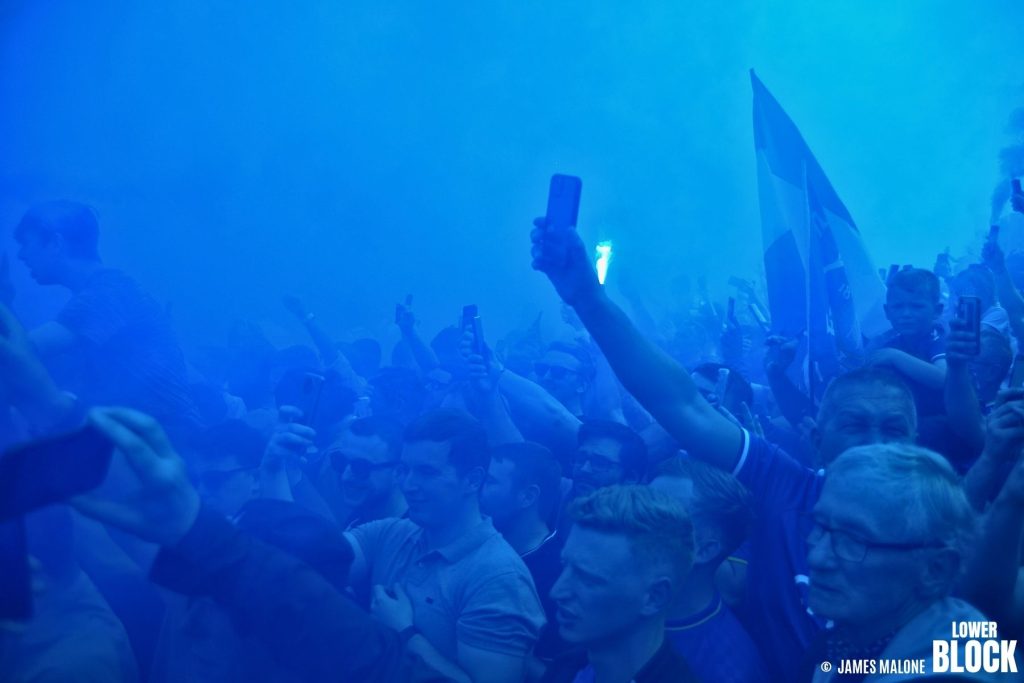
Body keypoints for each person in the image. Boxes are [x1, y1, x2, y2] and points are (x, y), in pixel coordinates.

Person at [530, 218, 918, 680]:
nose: (875, 442)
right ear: (817, 439)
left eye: (894, 428)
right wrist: (589, 299)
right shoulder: (787, 488)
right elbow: (682, 404)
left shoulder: (942, 521)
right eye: (855, 424)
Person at [70, 407, 453, 683]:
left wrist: (404, 633)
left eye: (217, 481)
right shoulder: (196, 591)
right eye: (340, 462)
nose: (347, 476)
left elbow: (295, 582)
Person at [344, 409, 545, 683]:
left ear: (473, 480)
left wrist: (405, 634)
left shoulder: (498, 578)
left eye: (426, 472)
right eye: (405, 469)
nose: (408, 484)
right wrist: (278, 468)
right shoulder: (393, 532)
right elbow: (319, 558)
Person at [804, 443, 1011, 681]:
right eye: (820, 525)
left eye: (854, 540)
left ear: (935, 570)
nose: (816, 557)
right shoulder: (851, 640)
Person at [12, 201, 197, 434]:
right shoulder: (107, 290)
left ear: (56, 243)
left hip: (167, 437)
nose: (20, 255)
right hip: (148, 433)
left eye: (26, 243)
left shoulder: (107, 293)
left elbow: (24, 349)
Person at [542, 485, 700, 682]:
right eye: (564, 565)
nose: (556, 591)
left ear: (654, 597)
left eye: (587, 578)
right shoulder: (565, 669)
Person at [649, 457, 768, 683]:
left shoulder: (728, 671)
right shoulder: (619, 603)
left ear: (704, 550)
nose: (635, 520)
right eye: (641, 503)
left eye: (659, 516)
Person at [479, 442, 563, 630]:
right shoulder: (478, 544)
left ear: (528, 496)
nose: (477, 488)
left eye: (490, 482)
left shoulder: (555, 576)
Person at [326, 415, 408, 528]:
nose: (345, 477)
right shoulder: (360, 516)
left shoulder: (412, 538)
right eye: (340, 461)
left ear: (398, 472)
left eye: (360, 467)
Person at [570, 419, 647, 501]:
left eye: (600, 463)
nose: (584, 469)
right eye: (581, 458)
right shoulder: (559, 491)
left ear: (630, 477)